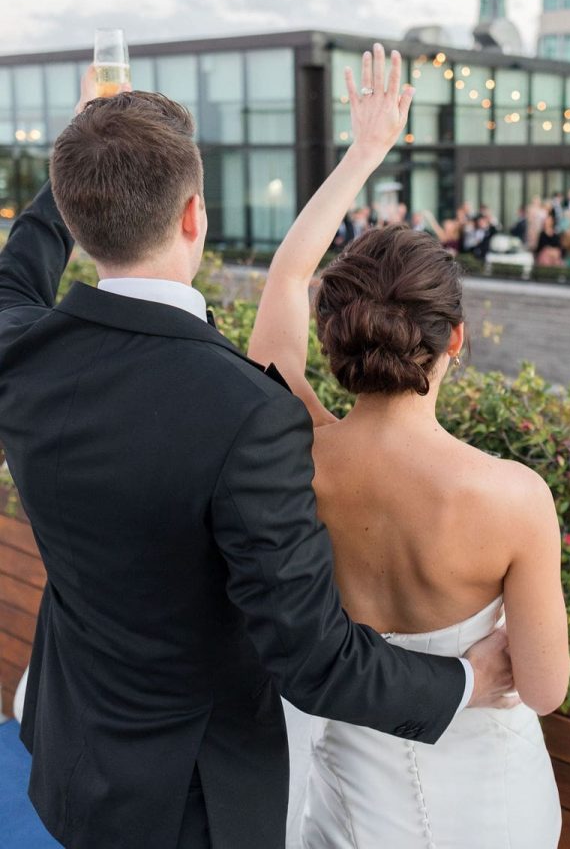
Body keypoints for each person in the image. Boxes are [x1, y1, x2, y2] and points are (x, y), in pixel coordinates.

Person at [0, 68, 515, 849]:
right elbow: (314, 660)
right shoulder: (249, 415)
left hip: (75, 752)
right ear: (195, 214)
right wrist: (472, 679)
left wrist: (78, 172)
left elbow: (17, 271)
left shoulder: (20, 347)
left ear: (75, 213)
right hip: (186, 800)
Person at [248, 44, 569, 848]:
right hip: (492, 806)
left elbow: (287, 279)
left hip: (351, 799)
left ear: (332, 339)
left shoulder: (290, 451)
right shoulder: (513, 496)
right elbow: (545, 688)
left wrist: (365, 151)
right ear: (455, 337)